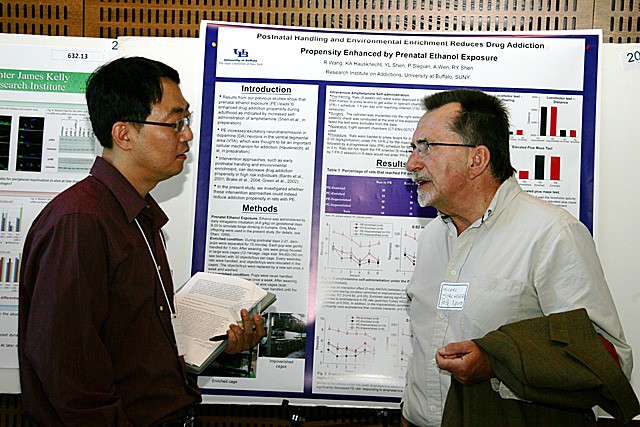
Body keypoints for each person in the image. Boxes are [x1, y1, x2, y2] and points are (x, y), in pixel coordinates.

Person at [18, 56, 265, 427]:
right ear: (124, 135)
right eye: (175, 122)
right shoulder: (80, 222)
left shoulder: (136, 214)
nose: (187, 135)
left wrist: (217, 345)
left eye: (187, 120)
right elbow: (70, 377)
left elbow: (131, 349)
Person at [401, 89, 632, 426]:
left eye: (426, 147)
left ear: (476, 159)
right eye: (412, 148)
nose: (412, 163)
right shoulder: (432, 237)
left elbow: (606, 360)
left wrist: (497, 364)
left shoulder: (552, 234)